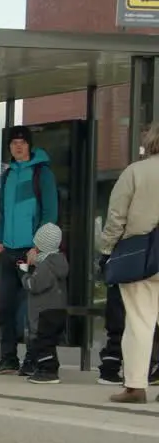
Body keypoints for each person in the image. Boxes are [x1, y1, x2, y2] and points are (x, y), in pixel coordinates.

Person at [0, 125, 59, 376]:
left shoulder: (41, 173)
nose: (18, 146)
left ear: (29, 145)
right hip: (8, 251)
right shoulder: (7, 175)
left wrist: (39, 246)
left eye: (22, 142)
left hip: (31, 250)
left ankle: (32, 359)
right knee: (5, 307)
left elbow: (50, 212)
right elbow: (4, 212)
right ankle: (8, 358)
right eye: (14, 142)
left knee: (31, 309)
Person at [98, 122, 159, 403]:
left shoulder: (135, 172)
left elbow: (116, 217)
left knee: (139, 322)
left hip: (141, 255)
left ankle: (135, 386)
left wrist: (107, 250)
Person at [21, 223, 69, 385]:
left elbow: (33, 286)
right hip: (57, 310)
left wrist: (25, 272)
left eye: (36, 245)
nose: (33, 248)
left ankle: (48, 371)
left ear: (41, 246)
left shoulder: (46, 266)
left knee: (42, 343)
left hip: (44, 313)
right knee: (48, 342)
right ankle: (46, 368)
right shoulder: (58, 262)